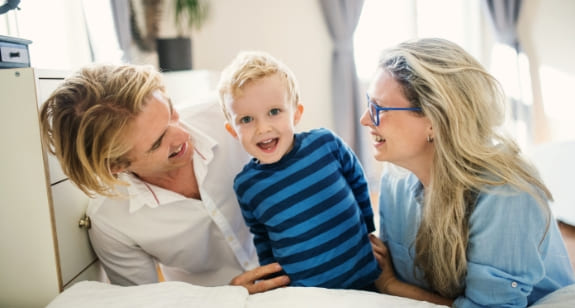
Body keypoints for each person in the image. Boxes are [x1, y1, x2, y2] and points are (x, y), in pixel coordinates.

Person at [38, 63, 290, 293]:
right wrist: (226, 295)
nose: (181, 135)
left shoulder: (232, 115)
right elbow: (148, 303)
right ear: (116, 164)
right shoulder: (111, 221)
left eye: (171, 112)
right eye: (158, 142)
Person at [361, 37, 575, 307]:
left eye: (378, 109)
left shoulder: (506, 194)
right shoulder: (395, 179)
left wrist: (393, 286)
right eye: (369, 103)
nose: (365, 119)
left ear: (435, 121)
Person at [217, 51, 381, 290]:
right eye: (246, 120)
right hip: (306, 294)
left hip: (363, 276)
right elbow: (262, 236)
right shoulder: (246, 186)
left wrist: (368, 228)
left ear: (296, 112)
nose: (263, 128)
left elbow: (356, 179)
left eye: (274, 112)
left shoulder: (325, 144)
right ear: (232, 130)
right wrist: (274, 284)